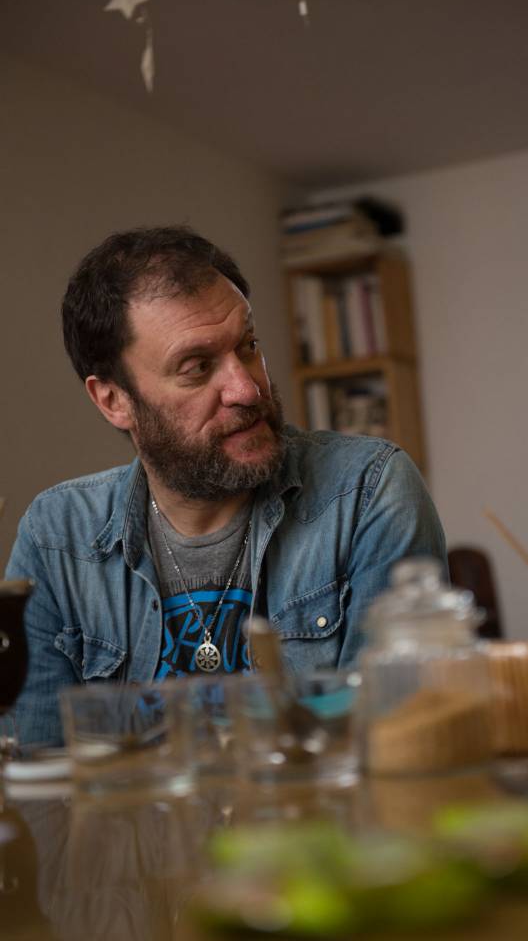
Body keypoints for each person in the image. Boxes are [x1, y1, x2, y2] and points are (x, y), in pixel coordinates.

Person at [5, 225, 447, 746]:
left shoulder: (367, 493)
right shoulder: (56, 538)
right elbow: (39, 768)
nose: (247, 389)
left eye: (249, 346)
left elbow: (391, 747)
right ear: (114, 401)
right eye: (197, 368)